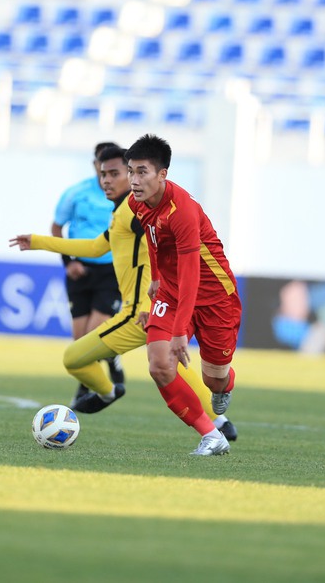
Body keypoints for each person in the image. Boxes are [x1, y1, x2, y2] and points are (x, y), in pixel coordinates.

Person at [10, 145, 237, 442]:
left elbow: (164, 251)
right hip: (146, 305)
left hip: (139, 311)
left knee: (76, 357)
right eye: (104, 174)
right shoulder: (123, 211)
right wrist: (40, 241)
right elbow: (95, 247)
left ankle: (107, 392)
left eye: (116, 173)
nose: (108, 180)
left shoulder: (135, 208)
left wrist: (150, 302)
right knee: (167, 363)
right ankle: (219, 420)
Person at [126, 134, 241, 456]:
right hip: (173, 292)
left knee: (213, 380)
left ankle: (225, 384)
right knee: (160, 365)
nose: (134, 181)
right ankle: (211, 435)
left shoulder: (183, 212)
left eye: (142, 172)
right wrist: (158, 278)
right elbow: (152, 237)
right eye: (131, 171)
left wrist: (179, 332)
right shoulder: (137, 203)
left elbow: (192, 271)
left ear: (163, 174)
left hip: (216, 296)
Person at [52, 142, 125, 399]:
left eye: (113, 171)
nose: (105, 174)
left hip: (110, 271)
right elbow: (57, 226)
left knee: (90, 338)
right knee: (78, 339)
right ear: (95, 164)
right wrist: (68, 262)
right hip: (79, 270)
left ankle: (86, 390)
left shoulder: (125, 198)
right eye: (100, 166)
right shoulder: (76, 193)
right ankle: (111, 359)